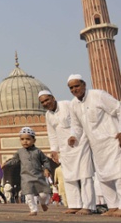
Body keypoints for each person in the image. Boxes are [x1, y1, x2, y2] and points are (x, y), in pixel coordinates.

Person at [67, 74, 121, 217]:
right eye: (71, 87)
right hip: (96, 144)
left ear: (84, 84)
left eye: (76, 85)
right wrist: (74, 136)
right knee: (104, 176)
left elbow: (118, 109)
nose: (74, 89)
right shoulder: (73, 104)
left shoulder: (98, 95)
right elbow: (76, 125)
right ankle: (113, 206)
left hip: (113, 139)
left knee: (119, 173)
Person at [38, 89, 95, 214]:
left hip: (80, 143)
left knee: (85, 174)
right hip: (64, 148)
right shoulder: (48, 114)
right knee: (69, 177)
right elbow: (52, 133)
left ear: (53, 97)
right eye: (43, 102)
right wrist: (54, 150)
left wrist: (74, 135)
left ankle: (88, 206)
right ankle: (74, 204)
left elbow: (79, 121)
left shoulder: (67, 105)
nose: (46, 103)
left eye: (47, 100)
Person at [3, 127, 51, 216]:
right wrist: (6, 163)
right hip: (26, 177)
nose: (25, 141)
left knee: (44, 194)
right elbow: (14, 160)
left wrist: (46, 169)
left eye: (28, 139)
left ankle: (43, 203)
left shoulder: (38, 151)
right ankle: (33, 210)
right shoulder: (20, 152)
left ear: (34, 140)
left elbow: (45, 161)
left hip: (38, 176)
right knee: (29, 195)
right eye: (22, 139)